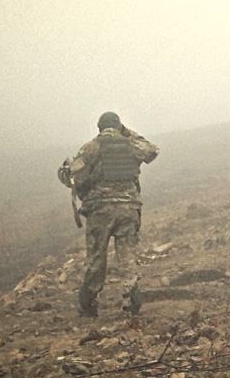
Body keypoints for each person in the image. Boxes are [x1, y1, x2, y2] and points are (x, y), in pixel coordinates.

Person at [59, 111, 159, 317]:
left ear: (99, 127)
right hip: (128, 208)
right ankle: (131, 298)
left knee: (96, 257)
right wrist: (127, 133)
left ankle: (89, 303)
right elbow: (152, 151)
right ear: (119, 125)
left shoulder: (91, 147)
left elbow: (71, 173)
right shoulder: (130, 145)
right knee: (127, 255)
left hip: (100, 211)